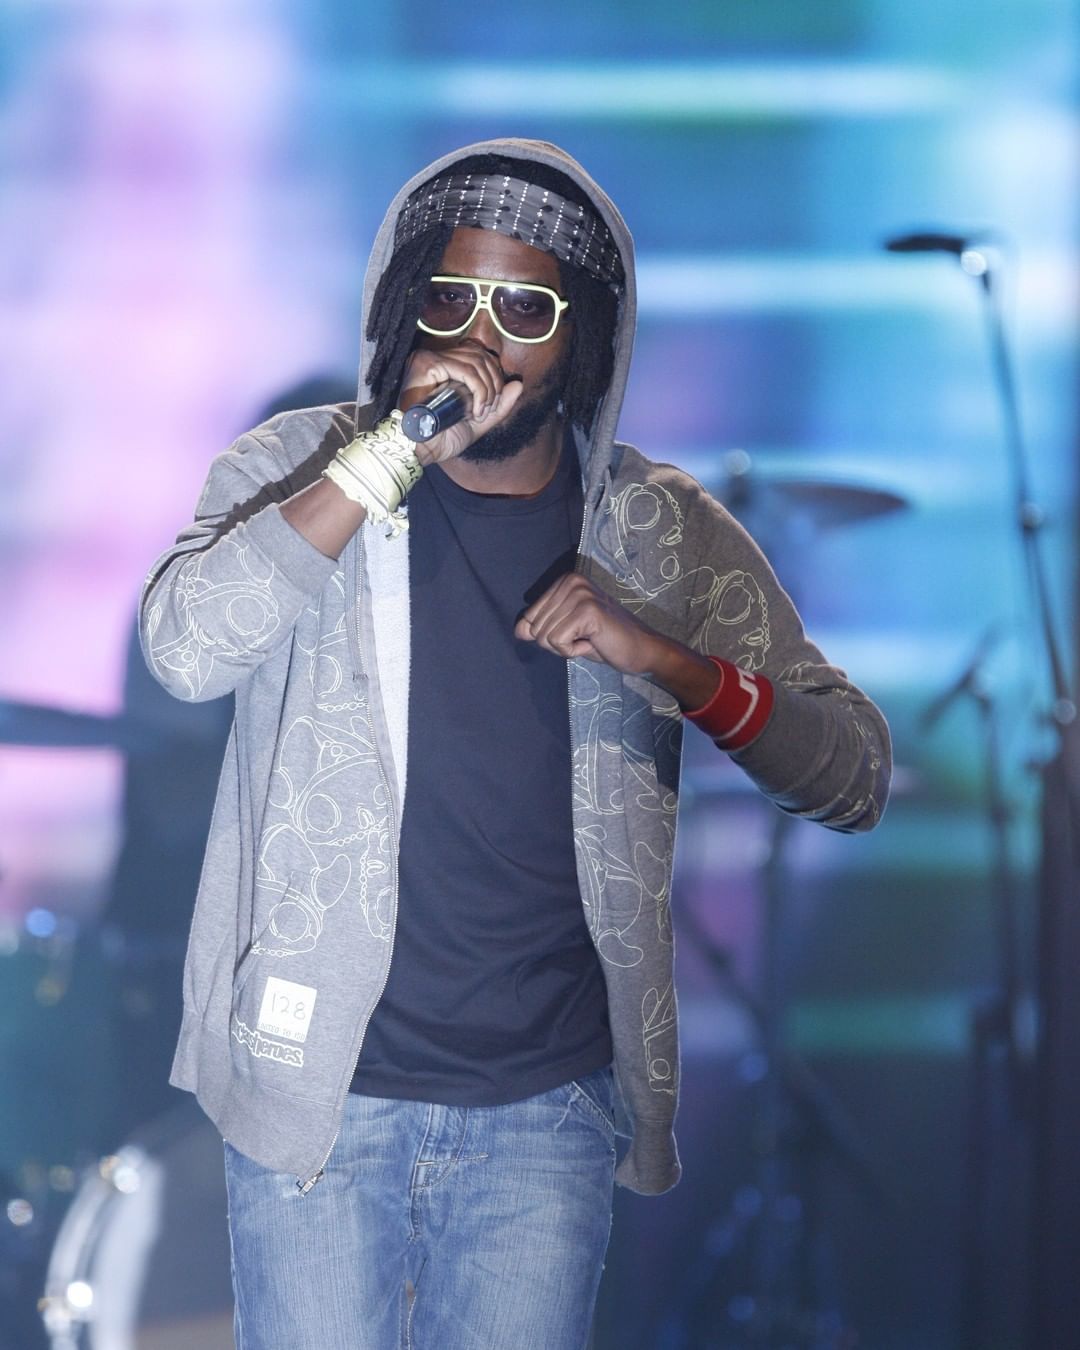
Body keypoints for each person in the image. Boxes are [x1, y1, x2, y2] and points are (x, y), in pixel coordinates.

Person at [140, 138, 891, 1350]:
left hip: (545, 1113)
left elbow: (853, 773)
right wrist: (390, 453)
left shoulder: (657, 530)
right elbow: (185, 650)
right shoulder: (296, 465)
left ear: (581, 336)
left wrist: (668, 660)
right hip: (322, 1094)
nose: (481, 339)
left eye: (524, 310)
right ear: (406, 305)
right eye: (451, 299)